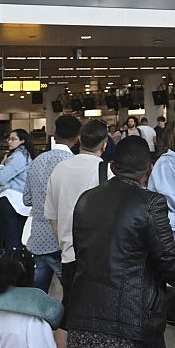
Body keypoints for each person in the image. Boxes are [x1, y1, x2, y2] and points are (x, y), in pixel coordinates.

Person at [63, 122, 175, 348]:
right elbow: (168, 261)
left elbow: (81, 254)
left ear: (113, 166)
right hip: (130, 331)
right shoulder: (150, 203)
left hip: (83, 329)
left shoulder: (85, 200)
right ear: (148, 170)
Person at [45, 119, 112, 310]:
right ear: (104, 145)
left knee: (69, 314)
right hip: (100, 259)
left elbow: (52, 217)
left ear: (79, 140)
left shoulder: (59, 170)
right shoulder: (107, 172)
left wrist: (65, 242)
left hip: (69, 257)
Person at [24, 114, 81, 293]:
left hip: (38, 238)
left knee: (36, 293)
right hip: (62, 240)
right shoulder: (73, 164)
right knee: (71, 293)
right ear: (77, 138)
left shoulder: (37, 161)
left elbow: (27, 199)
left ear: (55, 136)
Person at [0, 129, 35, 249]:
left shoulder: (18, 156)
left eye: (13, 139)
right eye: (9, 139)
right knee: (20, 239)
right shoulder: (29, 156)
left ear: (22, 140)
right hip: (23, 202)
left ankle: (11, 265)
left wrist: (1, 165)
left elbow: (0, 178)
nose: (9, 142)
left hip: (11, 199)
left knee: (11, 239)